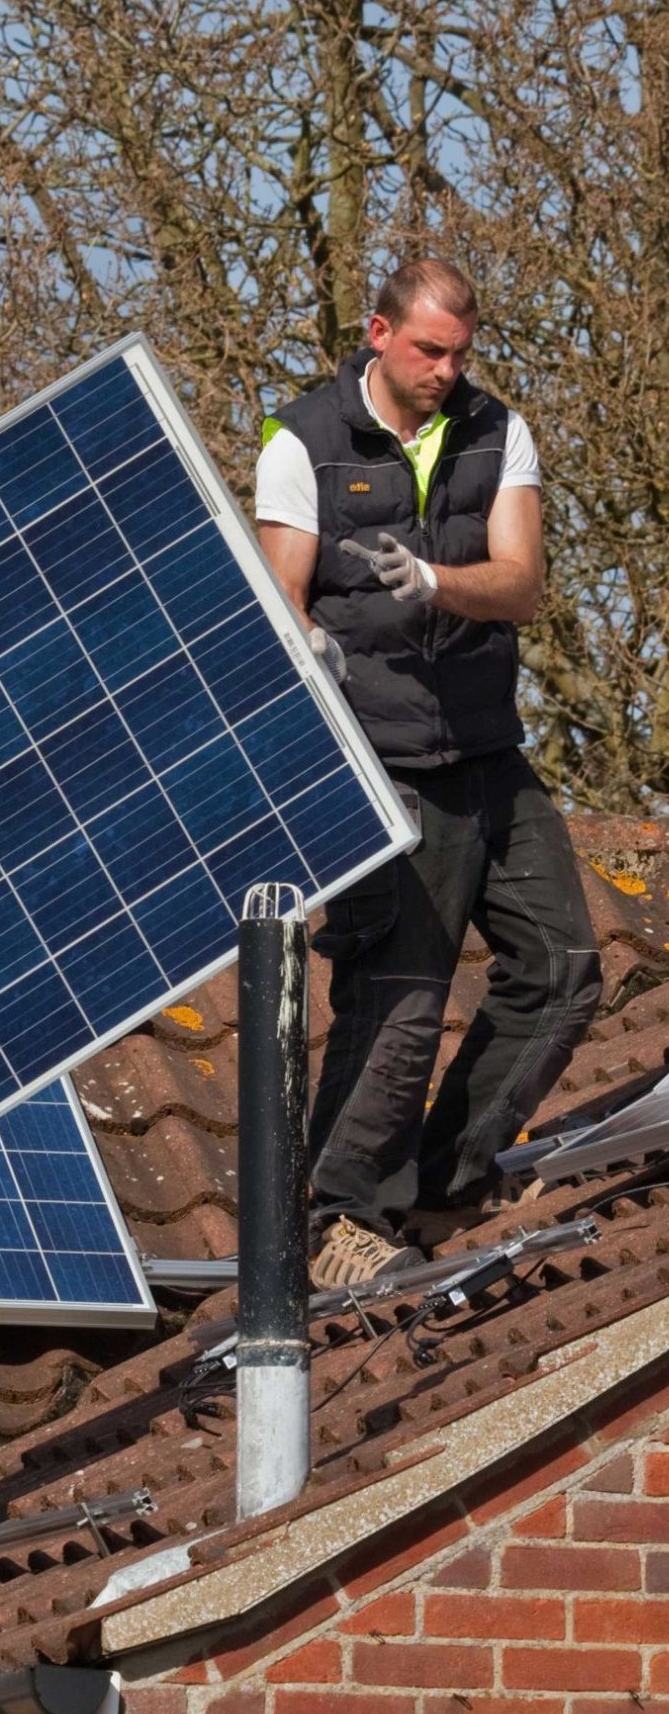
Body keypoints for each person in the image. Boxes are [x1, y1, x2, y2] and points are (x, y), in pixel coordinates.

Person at [254, 256, 601, 1290]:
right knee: (399, 995)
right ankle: (332, 1217)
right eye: (428, 349)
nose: (449, 368)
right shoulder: (301, 442)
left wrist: (442, 581)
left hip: (488, 751)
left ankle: (443, 1178)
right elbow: (280, 595)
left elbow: (523, 582)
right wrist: (307, 640)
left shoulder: (501, 431)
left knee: (562, 966)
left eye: (461, 350)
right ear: (378, 332)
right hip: (382, 761)